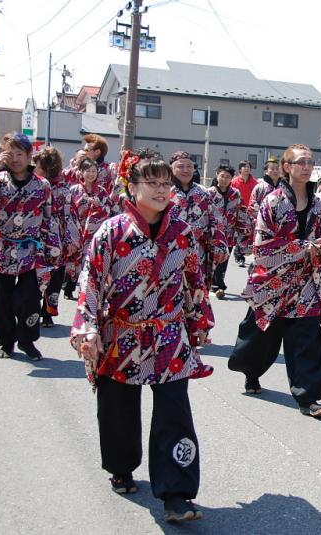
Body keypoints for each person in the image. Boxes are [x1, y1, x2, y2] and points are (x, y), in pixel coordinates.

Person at [70, 151, 214, 523]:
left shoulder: (182, 233)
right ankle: (121, 465)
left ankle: (178, 493)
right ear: (131, 188)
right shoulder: (111, 232)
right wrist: (88, 329)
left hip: (168, 333)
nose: (162, 189)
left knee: (174, 411)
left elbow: (194, 281)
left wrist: (199, 322)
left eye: (166, 183)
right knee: (118, 407)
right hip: (123, 333)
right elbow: (90, 284)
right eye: (152, 182)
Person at [228, 143, 321, 417]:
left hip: (305, 283)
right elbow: (262, 245)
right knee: (260, 339)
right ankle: (251, 373)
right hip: (272, 282)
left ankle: (307, 397)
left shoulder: (319, 204)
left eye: (310, 162)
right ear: (288, 167)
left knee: (305, 338)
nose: (307, 167)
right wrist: (302, 247)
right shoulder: (272, 201)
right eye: (301, 162)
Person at [0, 132, 61, 360]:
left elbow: (49, 218)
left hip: (32, 249)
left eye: (21, 154)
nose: (15, 159)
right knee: (4, 299)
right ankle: (6, 343)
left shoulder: (42, 185)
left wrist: (53, 247)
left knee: (28, 298)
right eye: (11, 154)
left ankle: (27, 340)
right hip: (2, 248)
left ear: (30, 156)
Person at [33, 147, 79, 327]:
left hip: (58, 237)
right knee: (37, 275)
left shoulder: (62, 188)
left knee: (56, 276)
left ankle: (48, 313)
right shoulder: (34, 184)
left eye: (36, 165)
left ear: (47, 167)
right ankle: (33, 311)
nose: (33, 168)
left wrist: (72, 239)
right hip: (38, 236)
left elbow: (70, 215)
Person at [169, 151, 227, 289]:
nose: (186, 170)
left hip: (198, 251)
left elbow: (215, 219)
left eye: (189, 166)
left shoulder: (203, 193)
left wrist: (220, 243)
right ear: (171, 168)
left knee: (196, 293)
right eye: (180, 166)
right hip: (170, 251)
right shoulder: (165, 190)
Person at [65, 158, 114, 300]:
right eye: (88, 171)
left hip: (94, 233)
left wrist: (99, 206)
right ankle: (69, 285)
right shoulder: (74, 190)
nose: (91, 174)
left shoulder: (102, 191)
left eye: (94, 171)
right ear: (81, 172)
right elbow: (69, 212)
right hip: (77, 231)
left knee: (89, 262)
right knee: (74, 262)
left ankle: (85, 291)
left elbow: (108, 210)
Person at [208, 164, 249, 299]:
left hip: (230, 233)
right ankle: (216, 285)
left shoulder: (235, 194)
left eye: (227, 177)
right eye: (222, 176)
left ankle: (218, 284)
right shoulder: (209, 193)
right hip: (213, 233)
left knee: (224, 259)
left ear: (231, 178)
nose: (224, 179)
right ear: (217, 176)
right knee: (213, 258)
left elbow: (241, 211)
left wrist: (243, 230)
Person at [231, 160, 258, 267]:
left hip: (251, 212)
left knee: (250, 234)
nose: (246, 169)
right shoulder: (234, 182)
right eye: (244, 167)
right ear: (240, 169)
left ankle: (244, 252)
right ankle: (239, 255)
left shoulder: (255, 183)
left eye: (248, 167)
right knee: (239, 234)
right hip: (238, 212)